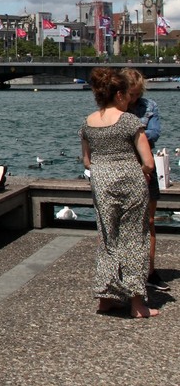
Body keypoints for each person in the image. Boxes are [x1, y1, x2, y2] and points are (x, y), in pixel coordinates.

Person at [80, 68, 158, 318]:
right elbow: (148, 161)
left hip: (102, 183)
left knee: (108, 239)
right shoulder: (129, 121)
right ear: (120, 95)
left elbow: (87, 162)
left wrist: (105, 169)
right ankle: (137, 304)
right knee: (134, 239)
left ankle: (106, 298)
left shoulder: (88, 123)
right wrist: (141, 171)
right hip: (130, 182)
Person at [121, 67, 169, 292]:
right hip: (121, 168)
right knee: (120, 222)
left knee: (149, 221)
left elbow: (155, 132)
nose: (136, 98)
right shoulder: (113, 107)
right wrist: (140, 132)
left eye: (138, 93)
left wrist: (133, 132)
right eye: (132, 93)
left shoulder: (149, 106)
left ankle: (150, 271)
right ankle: (122, 270)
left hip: (146, 167)